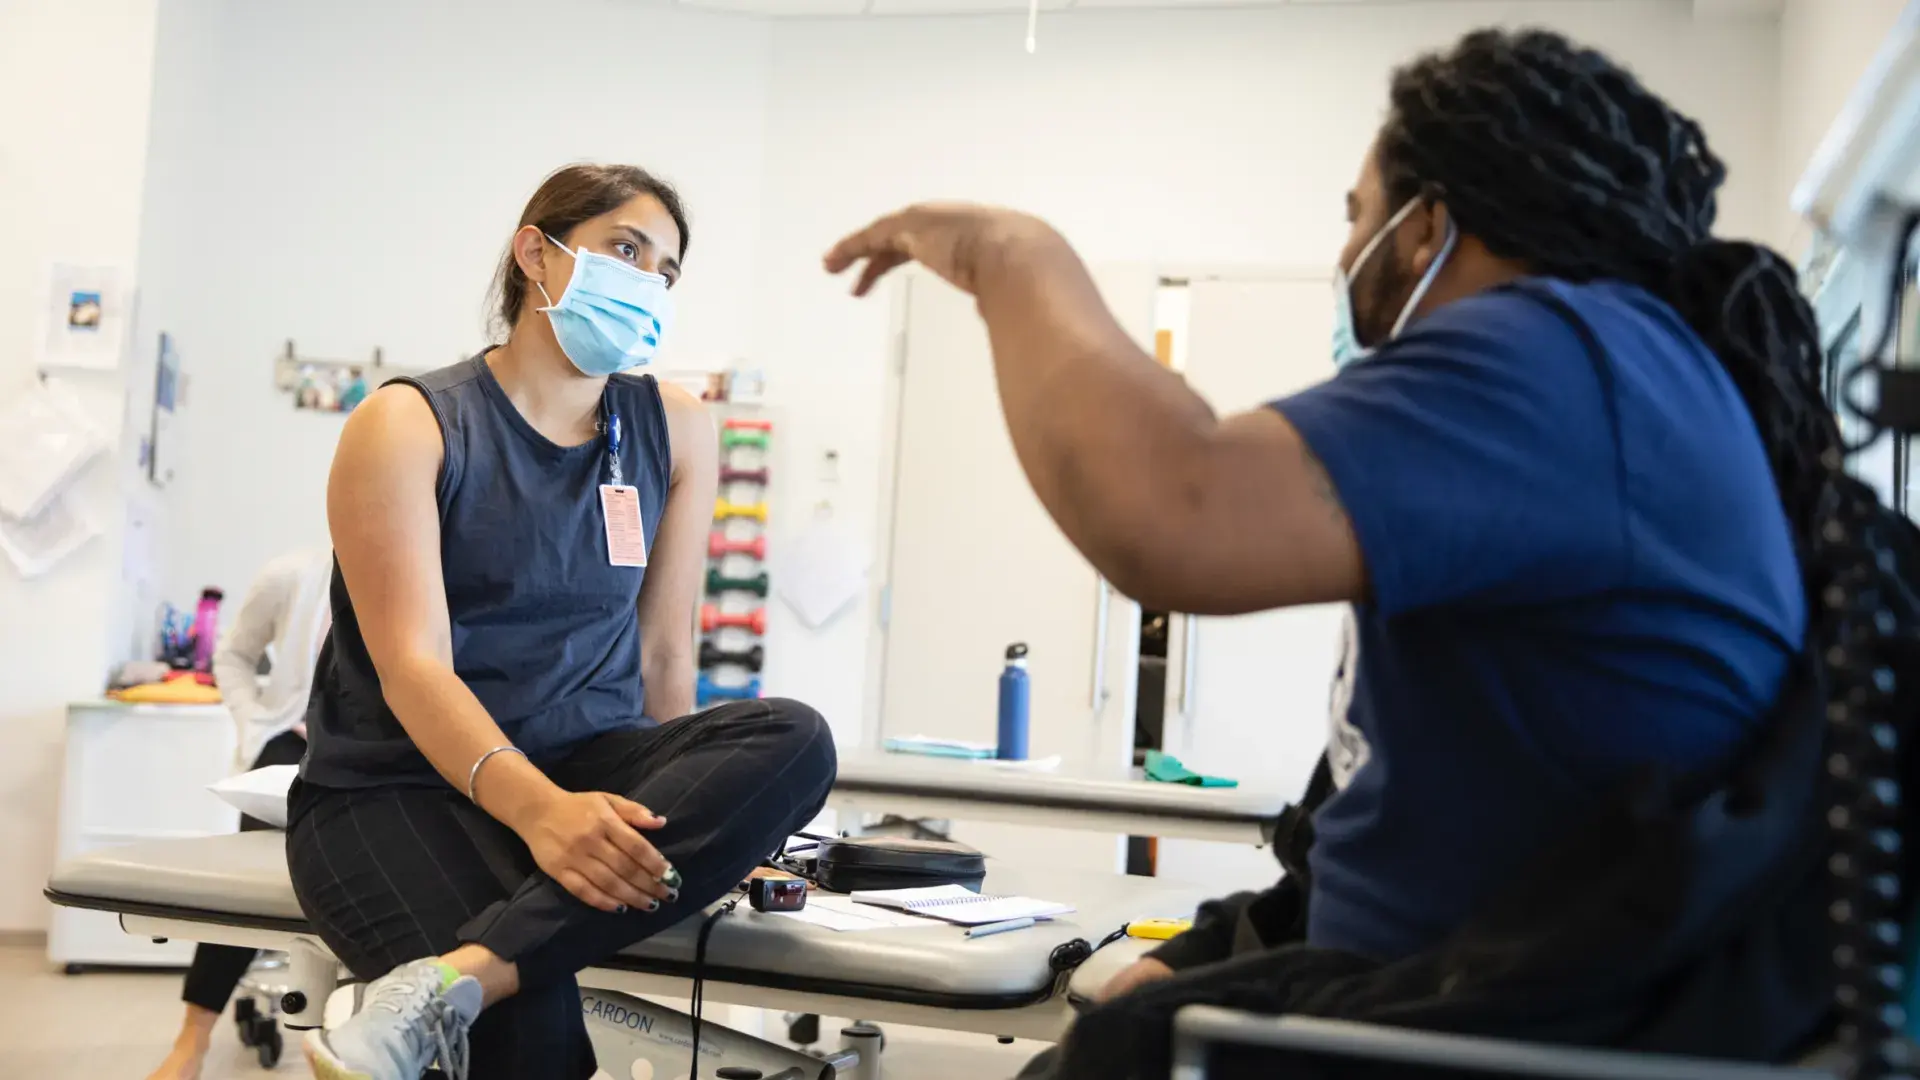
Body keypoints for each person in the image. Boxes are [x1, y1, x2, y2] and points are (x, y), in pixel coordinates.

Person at [826, 28, 1883, 1078]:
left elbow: (1170, 509)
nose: (1345, 257)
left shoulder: (1561, 354)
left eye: (1355, 219)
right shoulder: (1630, 374)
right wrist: (1229, 955)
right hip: (1470, 983)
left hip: (1502, 1027)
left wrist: (1010, 254)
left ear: (1426, 230)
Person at [290, 164, 836, 1080]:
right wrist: (543, 815)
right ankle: (485, 984)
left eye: (664, 270)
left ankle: (448, 983)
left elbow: (666, 653)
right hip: (396, 789)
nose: (647, 282)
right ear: (535, 253)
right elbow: (415, 669)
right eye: (625, 248)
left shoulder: (676, 426)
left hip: (589, 765)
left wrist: (696, 827)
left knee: (796, 738)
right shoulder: (409, 424)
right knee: (528, 1037)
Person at [146, 546, 333, 1080]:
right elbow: (233, 657)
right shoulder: (292, 576)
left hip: (379, 754)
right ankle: (193, 1036)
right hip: (291, 744)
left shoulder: (428, 573)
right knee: (254, 872)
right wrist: (258, 724)